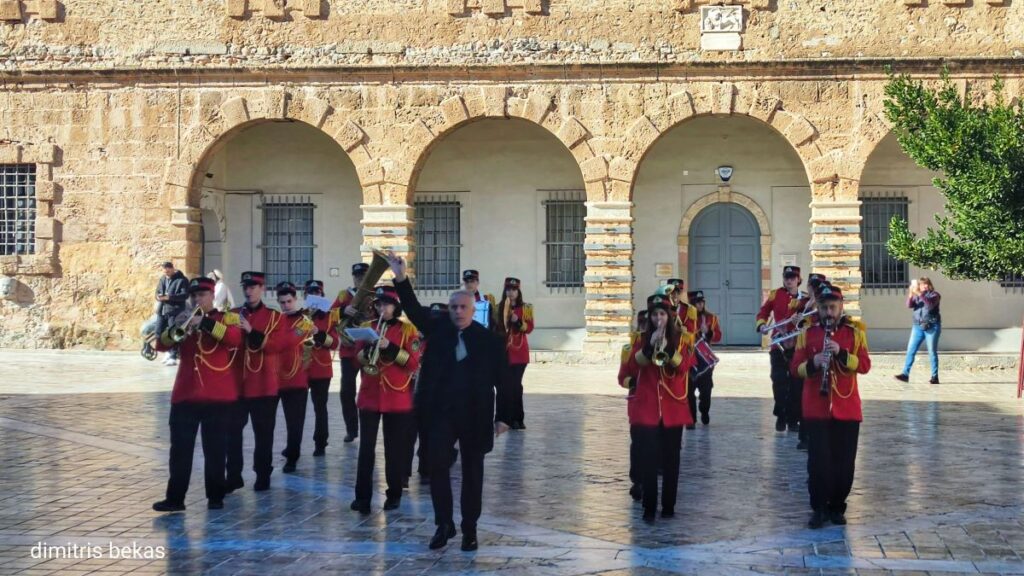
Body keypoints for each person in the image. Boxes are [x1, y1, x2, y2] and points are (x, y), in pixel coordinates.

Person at [388, 252, 511, 552]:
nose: (458, 312)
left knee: (472, 472)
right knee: (437, 467)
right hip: (440, 413)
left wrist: (504, 416)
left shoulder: (489, 341)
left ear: (473, 309)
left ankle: (470, 528)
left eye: (463, 307)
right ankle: (444, 523)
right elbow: (414, 310)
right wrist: (401, 278)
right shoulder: (438, 329)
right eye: (454, 307)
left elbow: (505, 381)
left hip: (475, 414)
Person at [152, 277, 242, 512]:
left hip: (217, 396)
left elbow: (234, 339)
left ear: (213, 295)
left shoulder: (227, 318)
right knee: (179, 451)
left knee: (215, 450)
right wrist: (175, 329)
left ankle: (215, 496)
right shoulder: (184, 318)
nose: (197, 299)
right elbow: (160, 345)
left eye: (202, 295)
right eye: (194, 295)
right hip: (186, 395)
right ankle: (175, 498)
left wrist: (204, 324)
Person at [790, 284, 871, 529]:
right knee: (818, 462)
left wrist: (842, 354)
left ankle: (837, 506)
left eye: (832, 307)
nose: (828, 312)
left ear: (841, 307)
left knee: (844, 463)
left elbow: (865, 365)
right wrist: (814, 362)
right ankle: (819, 508)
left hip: (847, 407)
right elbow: (795, 369)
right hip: (816, 408)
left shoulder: (854, 332)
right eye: (824, 307)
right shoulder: (808, 333)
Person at [619, 293, 695, 522]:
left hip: (672, 407)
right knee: (648, 461)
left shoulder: (683, 339)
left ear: (669, 316)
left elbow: (686, 367)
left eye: (663, 314)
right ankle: (649, 507)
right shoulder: (638, 339)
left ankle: (669, 505)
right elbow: (630, 367)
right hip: (647, 409)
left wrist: (669, 350)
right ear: (650, 316)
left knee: (672, 462)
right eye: (655, 314)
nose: (658, 319)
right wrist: (649, 347)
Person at [351, 286, 422, 514]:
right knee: (366, 450)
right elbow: (356, 361)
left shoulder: (407, 330)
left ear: (396, 306)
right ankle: (362, 497)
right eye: (380, 304)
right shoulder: (367, 328)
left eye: (387, 304)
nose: (383, 308)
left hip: (396, 396)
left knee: (394, 450)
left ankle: (394, 495)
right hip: (370, 395)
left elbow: (412, 364)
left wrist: (388, 347)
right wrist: (368, 348)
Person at [225, 271, 286, 493]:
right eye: (246, 287)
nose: (249, 291)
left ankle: (263, 474)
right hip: (238, 385)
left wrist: (251, 331)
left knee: (264, 434)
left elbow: (275, 347)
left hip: (263, 385)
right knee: (232, 432)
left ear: (262, 289)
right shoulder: (232, 314)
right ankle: (233, 476)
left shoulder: (274, 317)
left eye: (253, 287)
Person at [755, 265, 804, 433]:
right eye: (786, 277)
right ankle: (781, 414)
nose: (789, 280)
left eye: (792, 277)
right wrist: (762, 324)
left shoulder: (804, 299)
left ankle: (792, 419)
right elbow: (763, 312)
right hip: (778, 344)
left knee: (796, 384)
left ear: (798, 279)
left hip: (797, 345)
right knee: (779, 380)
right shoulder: (776, 294)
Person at [274, 282, 315, 474]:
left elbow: (289, 341)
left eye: (289, 301)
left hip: (297, 377)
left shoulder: (305, 321)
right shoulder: (275, 320)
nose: (286, 305)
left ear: (295, 300)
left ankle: (292, 456)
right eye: (282, 302)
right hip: (275, 378)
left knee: (295, 422)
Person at [333, 262, 370, 443]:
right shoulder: (344, 295)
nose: (360, 279)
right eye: (357, 276)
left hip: (367, 350)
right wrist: (342, 310)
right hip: (348, 351)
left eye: (363, 276)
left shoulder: (374, 296)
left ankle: (367, 428)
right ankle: (351, 429)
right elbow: (329, 314)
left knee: (367, 389)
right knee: (347, 391)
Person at [305, 280, 340, 456]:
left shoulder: (330, 316)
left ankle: (320, 442)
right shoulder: (299, 315)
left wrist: (317, 333)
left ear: (322, 295)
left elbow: (335, 343)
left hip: (321, 368)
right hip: (300, 368)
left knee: (320, 407)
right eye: (311, 294)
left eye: (317, 294)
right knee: (297, 410)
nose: (314, 297)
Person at [495, 277, 534, 431]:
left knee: (516, 386)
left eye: (514, 290)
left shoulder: (526, 308)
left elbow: (529, 328)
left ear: (518, 291)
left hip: (519, 353)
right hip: (503, 353)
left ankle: (517, 419)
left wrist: (517, 321)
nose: (511, 293)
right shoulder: (498, 308)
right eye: (508, 290)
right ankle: (500, 417)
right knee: (503, 386)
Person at [618, 310, 647, 503]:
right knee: (637, 444)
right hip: (637, 403)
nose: (644, 327)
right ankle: (637, 481)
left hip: (658, 403)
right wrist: (633, 383)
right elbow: (622, 377)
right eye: (642, 323)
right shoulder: (629, 349)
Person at [895, 277, 942, 385]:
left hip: (932, 326)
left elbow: (930, 305)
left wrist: (920, 293)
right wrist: (911, 293)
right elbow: (909, 305)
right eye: (922, 285)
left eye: (926, 284)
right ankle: (905, 374)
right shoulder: (918, 296)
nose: (924, 286)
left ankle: (935, 377)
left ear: (930, 285)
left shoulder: (935, 295)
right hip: (917, 326)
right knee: (911, 350)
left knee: (931, 352)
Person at [687, 290, 722, 428]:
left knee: (706, 391)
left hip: (705, 360)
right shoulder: (684, 318)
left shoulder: (711, 318)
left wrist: (708, 332)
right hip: (690, 358)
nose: (699, 305)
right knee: (689, 391)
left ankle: (704, 411)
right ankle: (691, 419)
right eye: (696, 303)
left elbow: (718, 337)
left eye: (701, 302)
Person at [155, 261, 189, 366]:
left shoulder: (182, 280)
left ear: (173, 269)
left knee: (174, 333)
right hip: (163, 309)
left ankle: (174, 356)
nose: (166, 273)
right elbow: (157, 291)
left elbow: (184, 295)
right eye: (164, 271)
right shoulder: (163, 279)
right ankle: (168, 352)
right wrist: (158, 296)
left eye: (168, 270)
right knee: (159, 332)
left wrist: (170, 297)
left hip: (175, 310)